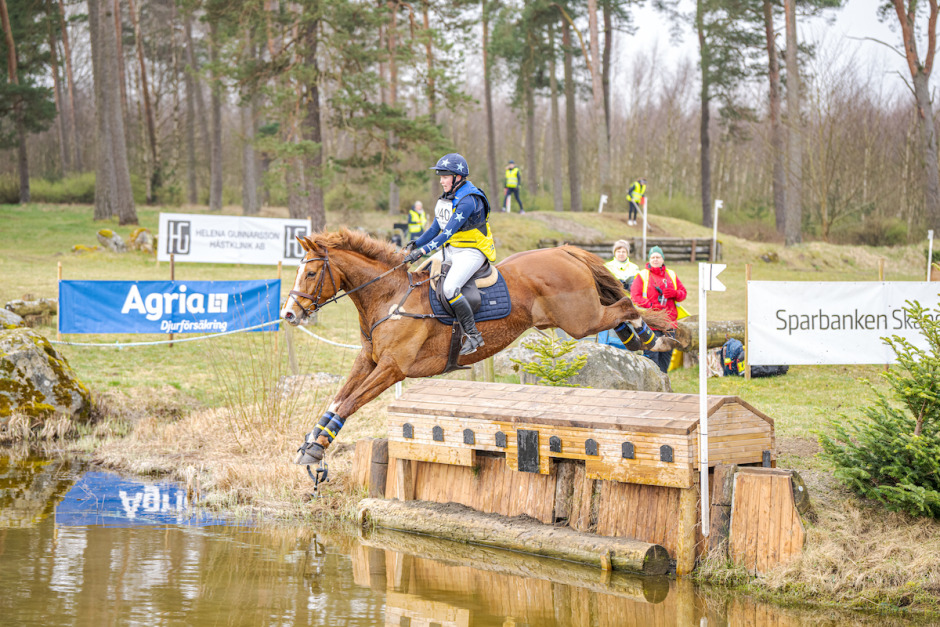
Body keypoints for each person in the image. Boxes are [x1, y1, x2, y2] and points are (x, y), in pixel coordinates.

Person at [404, 153, 494, 355]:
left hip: (472, 251)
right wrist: (413, 246)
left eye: (445, 176)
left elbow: (446, 234)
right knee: (423, 271)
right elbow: (434, 229)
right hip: (453, 250)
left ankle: (473, 335)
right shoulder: (447, 198)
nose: (441, 181)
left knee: (450, 288)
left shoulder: (469, 200)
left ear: (458, 177)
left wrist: (422, 251)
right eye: (440, 176)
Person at [630, 246, 687, 373]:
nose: (655, 259)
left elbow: (683, 293)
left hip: (669, 324)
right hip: (651, 324)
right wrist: (651, 305)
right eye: (653, 257)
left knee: (666, 358)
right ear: (649, 259)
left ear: (663, 259)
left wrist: (674, 293)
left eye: (658, 257)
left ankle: (664, 386)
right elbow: (635, 297)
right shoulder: (642, 276)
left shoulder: (671, 274)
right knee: (652, 359)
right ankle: (652, 388)